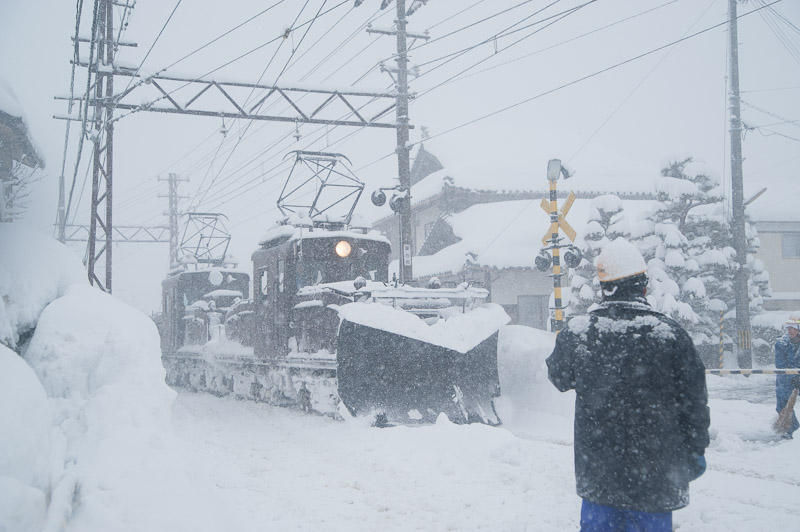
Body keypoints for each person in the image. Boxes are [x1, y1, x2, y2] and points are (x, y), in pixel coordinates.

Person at [546, 238, 710, 531]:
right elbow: (695, 404)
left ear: (604, 288)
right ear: (643, 286)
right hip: (657, 481)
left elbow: (558, 377)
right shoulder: (670, 335)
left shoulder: (580, 333)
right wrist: (695, 450)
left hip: (599, 478)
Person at [775, 316, 800, 438]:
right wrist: (793, 375)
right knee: (782, 406)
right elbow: (780, 364)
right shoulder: (781, 343)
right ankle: (792, 429)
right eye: (788, 328)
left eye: (793, 328)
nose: (790, 330)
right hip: (785, 380)